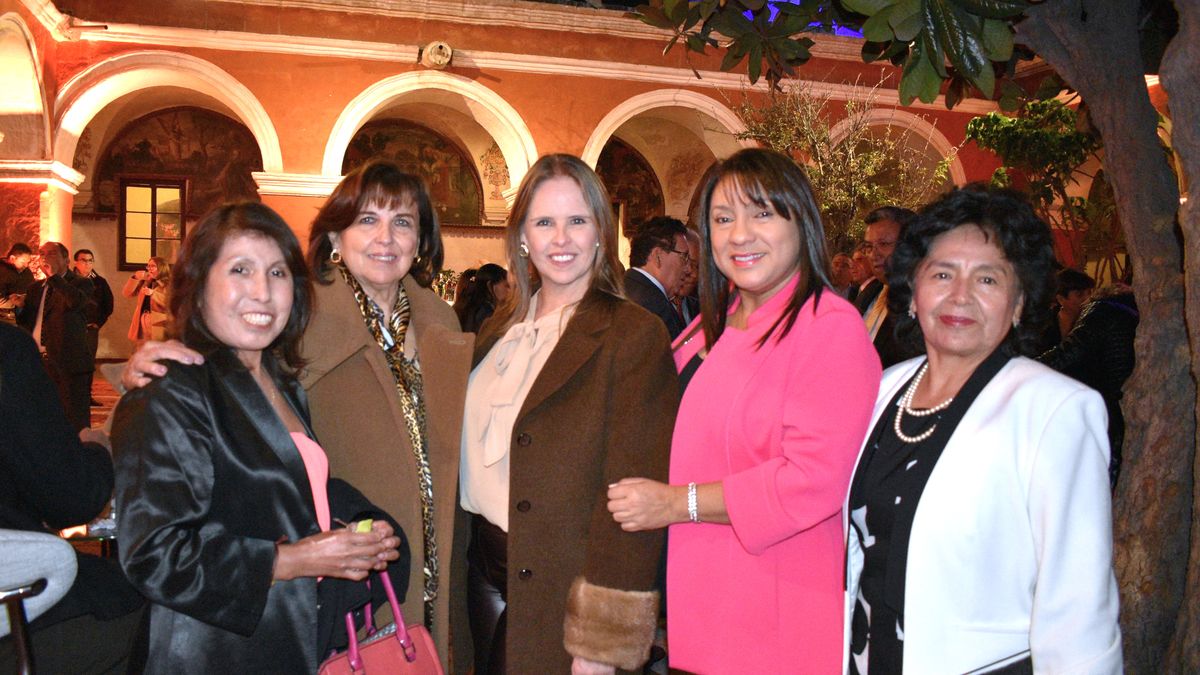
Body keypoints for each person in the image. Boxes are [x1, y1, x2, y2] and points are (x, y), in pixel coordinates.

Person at [122, 161, 473, 667]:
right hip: (250, 621)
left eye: (403, 221)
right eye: (367, 220)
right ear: (334, 235)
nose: (386, 237)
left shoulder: (436, 321)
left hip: (383, 566)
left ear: (421, 240)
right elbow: (162, 499)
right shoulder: (298, 329)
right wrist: (146, 363)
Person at [607, 148, 880, 673]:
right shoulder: (720, 318)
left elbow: (812, 480)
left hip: (771, 608)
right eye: (722, 219)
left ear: (801, 221)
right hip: (703, 597)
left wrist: (674, 504)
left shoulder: (828, 327)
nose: (739, 234)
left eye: (761, 213)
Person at [845, 186, 1121, 672]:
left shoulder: (1054, 410)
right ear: (913, 291)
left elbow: (1079, 609)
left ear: (1018, 303)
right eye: (943, 273)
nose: (960, 295)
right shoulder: (885, 390)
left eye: (988, 279)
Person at [462, 154, 675, 674]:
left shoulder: (633, 334)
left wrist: (601, 643)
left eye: (577, 220)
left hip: (567, 588)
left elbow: (635, 500)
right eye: (544, 222)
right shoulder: (497, 331)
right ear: (522, 239)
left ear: (601, 232)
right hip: (483, 576)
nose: (561, 239)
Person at [0, 322, 145, 674]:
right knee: (178, 618)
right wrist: (99, 449)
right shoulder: (7, 350)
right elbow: (73, 497)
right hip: (14, 615)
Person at [1040, 281, 1137, 486]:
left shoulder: (1101, 310)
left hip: (1105, 400)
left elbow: (1070, 351)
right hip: (1122, 398)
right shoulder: (1136, 311)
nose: (1084, 296)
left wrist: (1019, 370)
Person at [17, 241, 96, 431]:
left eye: (51, 253)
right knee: (40, 418)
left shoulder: (81, 283)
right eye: (42, 253)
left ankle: (77, 458)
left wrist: (54, 278)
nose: (44, 257)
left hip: (68, 362)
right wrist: (20, 308)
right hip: (38, 361)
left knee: (73, 420)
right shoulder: (35, 289)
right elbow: (29, 322)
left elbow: (75, 302)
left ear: (66, 259)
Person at [855, 206, 920, 367]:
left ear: (909, 246)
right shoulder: (869, 293)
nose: (873, 254)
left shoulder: (922, 303)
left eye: (883, 244)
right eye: (869, 246)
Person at [623, 215, 691, 339]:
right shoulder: (655, 306)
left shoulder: (622, 287)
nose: (688, 269)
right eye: (684, 257)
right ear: (658, 255)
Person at [73, 249, 115, 404]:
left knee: (88, 362)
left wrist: (98, 323)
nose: (87, 263)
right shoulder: (69, 281)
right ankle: (71, 395)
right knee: (71, 361)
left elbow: (108, 305)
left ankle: (86, 395)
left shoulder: (99, 282)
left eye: (90, 260)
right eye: (83, 260)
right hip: (72, 329)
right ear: (76, 262)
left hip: (90, 328)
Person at [122, 256, 170, 346]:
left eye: (153, 266)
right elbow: (127, 293)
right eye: (148, 266)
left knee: (157, 349)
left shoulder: (169, 283)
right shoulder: (146, 282)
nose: (149, 269)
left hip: (159, 322)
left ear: (161, 267)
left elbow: (172, 302)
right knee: (142, 348)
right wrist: (135, 278)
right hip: (143, 317)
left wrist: (153, 294)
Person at [454, 263, 510, 333]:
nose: (510, 291)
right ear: (490, 286)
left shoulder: (468, 307)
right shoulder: (486, 313)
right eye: (507, 286)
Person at [0, 243, 34, 324]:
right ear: (12, 258)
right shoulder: (2, 271)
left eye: (28, 262)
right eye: (23, 262)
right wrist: (15, 302)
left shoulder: (27, 272)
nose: (26, 265)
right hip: (6, 317)